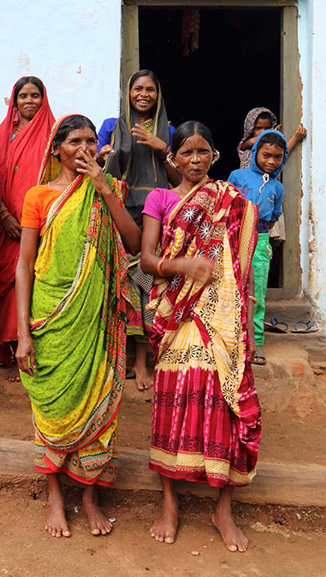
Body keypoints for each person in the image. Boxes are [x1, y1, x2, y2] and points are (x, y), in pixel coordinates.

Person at [15, 114, 141, 538]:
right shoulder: (38, 196)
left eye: (91, 141)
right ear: (58, 150)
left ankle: (89, 497)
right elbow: (24, 265)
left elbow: (135, 242)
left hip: (97, 317)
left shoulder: (109, 189)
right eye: (75, 142)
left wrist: (105, 189)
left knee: (99, 397)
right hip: (50, 313)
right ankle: (54, 496)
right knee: (50, 401)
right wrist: (22, 332)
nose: (85, 148)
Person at [140, 120, 261, 553]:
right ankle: (169, 504)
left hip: (224, 317)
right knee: (176, 403)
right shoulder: (161, 199)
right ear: (172, 157)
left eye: (203, 152)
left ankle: (222, 509)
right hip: (177, 314)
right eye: (186, 153)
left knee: (228, 401)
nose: (195, 160)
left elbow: (241, 269)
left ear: (214, 156)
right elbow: (148, 260)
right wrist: (184, 267)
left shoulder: (231, 202)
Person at [99, 69, 180, 392]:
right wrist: (103, 152)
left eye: (150, 89)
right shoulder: (111, 126)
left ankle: (141, 362)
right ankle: (116, 357)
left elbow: (178, 178)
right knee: (120, 283)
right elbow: (95, 162)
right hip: (119, 210)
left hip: (156, 215)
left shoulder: (170, 131)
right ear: (128, 93)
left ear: (158, 95)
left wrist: (162, 147)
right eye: (137, 89)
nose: (143, 94)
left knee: (148, 286)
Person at [0, 76, 55, 381]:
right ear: (14, 99)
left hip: (40, 221)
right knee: (5, 282)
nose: (28, 101)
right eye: (22, 95)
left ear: (43, 98)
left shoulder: (53, 133)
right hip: (5, 223)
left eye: (35, 95)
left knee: (33, 281)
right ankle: (10, 350)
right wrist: (3, 215)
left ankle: (35, 347)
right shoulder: (1, 134)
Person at [228, 129, 288, 365]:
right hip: (235, 238)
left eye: (277, 157)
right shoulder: (237, 176)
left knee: (258, 292)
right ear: (254, 153)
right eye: (266, 155)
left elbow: (273, 217)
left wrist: (258, 230)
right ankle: (231, 339)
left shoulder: (277, 188)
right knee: (232, 288)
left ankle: (256, 342)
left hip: (261, 239)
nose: (271, 161)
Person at [236, 106, 306, 169]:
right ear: (250, 129)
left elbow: (283, 152)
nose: (263, 132)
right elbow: (250, 143)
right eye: (258, 128)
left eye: (267, 128)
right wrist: (274, 135)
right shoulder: (250, 142)